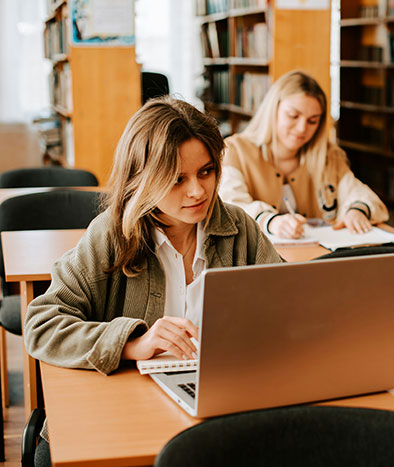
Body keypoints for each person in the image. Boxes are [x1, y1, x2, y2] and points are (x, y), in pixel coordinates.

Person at [24, 96, 283, 376]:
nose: (197, 191)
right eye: (177, 179)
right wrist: (133, 344)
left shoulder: (240, 228)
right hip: (134, 403)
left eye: (205, 172)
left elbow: (291, 305)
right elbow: (42, 326)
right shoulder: (111, 235)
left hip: (228, 385)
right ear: (142, 178)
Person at [219, 70, 389, 239]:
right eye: (293, 116)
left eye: (312, 121)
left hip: (318, 258)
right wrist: (270, 221)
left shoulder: (329, 156)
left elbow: (361, 195)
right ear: (273, 110)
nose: (302, 128)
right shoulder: (235, 150)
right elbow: (230, 205)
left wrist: (357, 210)